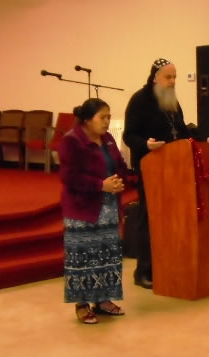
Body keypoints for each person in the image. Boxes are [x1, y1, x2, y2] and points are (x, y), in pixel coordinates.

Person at [123, 58, 191, 289]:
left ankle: (167, 265)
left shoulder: (172, 101)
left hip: (175, 168)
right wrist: (146, 144)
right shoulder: (140, 100)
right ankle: (143, 271)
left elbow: (181, 131)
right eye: (168, 77)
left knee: (171, 220)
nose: (172, 81)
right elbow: (129, 135)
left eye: (174, 77)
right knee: (149, 219)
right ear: (155, 78)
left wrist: (202, 139)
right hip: (150, 168)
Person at [59, 98, 129, 324]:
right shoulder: (72, 141)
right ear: (87, 120)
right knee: (84, 258)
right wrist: (100, 185)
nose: (107, 121)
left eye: (109, 117)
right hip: (82, 210)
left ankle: (103, 300)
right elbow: (69, 177)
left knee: (107, 255)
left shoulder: (108, 139)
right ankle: (82, 305)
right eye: (102, 117)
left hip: (108, 207)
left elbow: (119, 165)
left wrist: (120, 180)